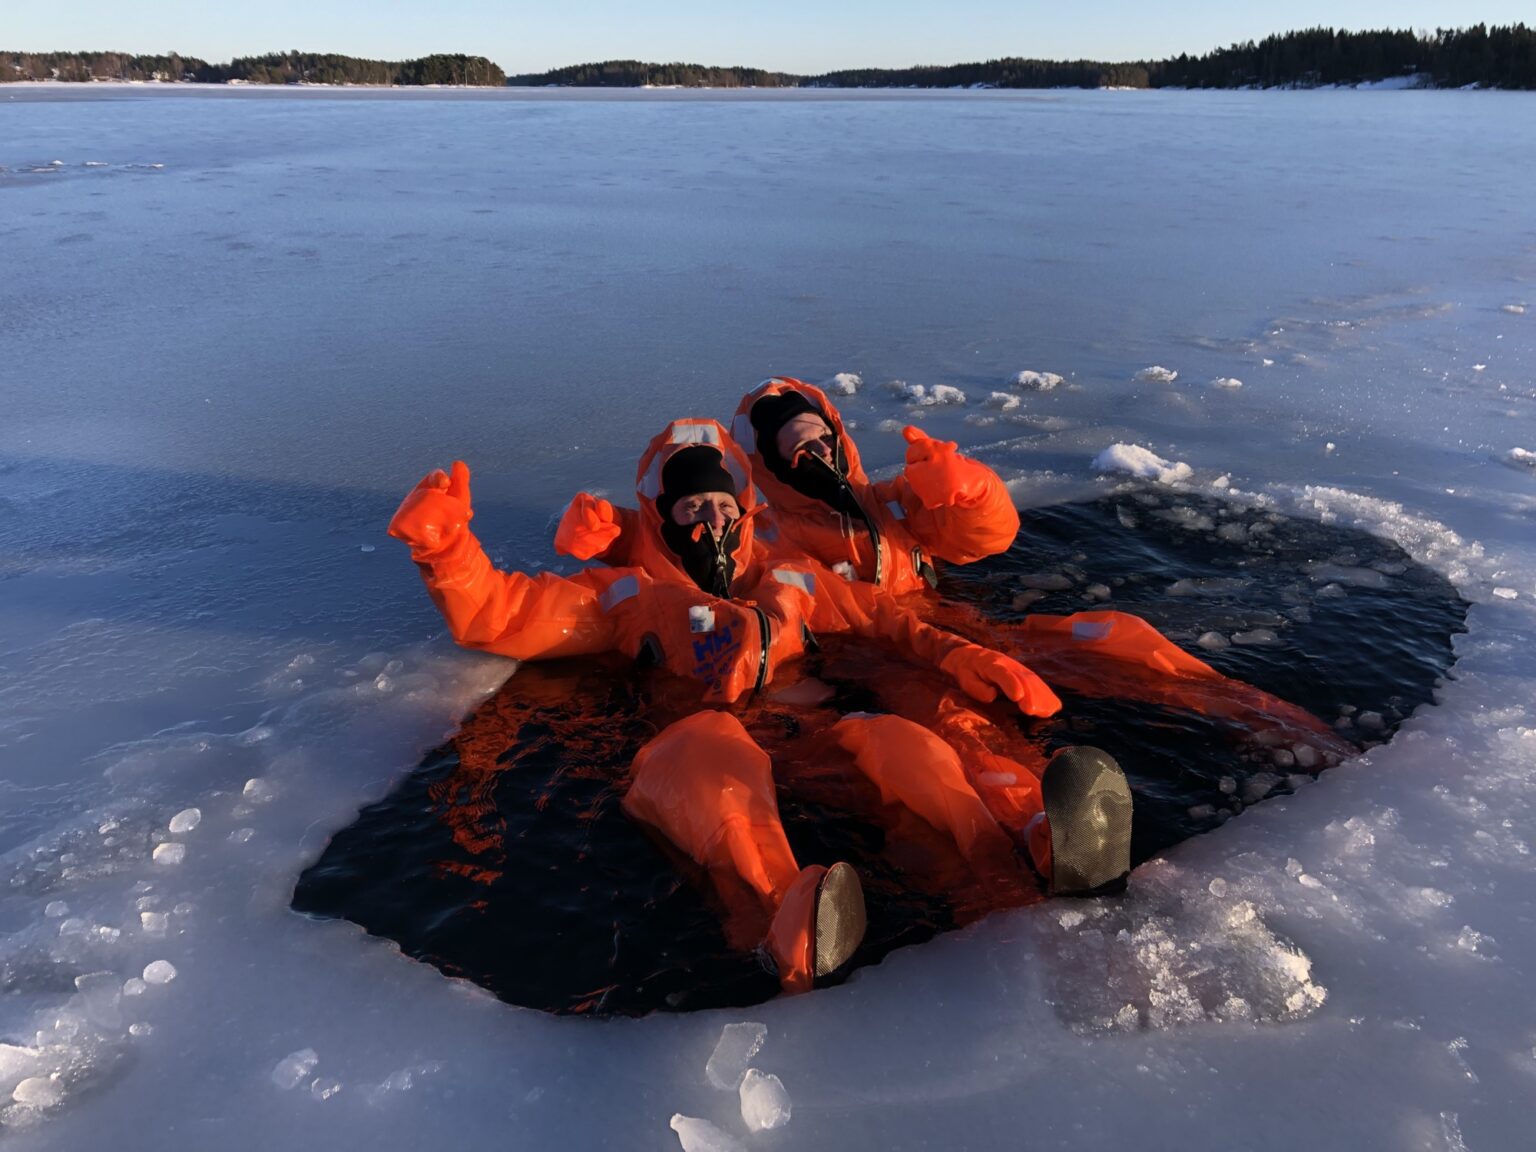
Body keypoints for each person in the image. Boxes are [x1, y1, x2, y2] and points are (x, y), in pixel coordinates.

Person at [388, 418, 1135, 993]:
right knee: (703, 744)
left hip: (803, 735)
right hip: (707, 750)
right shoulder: (632, 602)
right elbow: (501, 612)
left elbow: (887, 621)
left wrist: (962, 653)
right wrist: (446, 549)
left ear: (744, 508)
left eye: (720, 504)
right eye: (690, 509)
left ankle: (1014, 856)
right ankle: (784, 915)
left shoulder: (796, 580)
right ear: (662, 518)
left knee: (902, 743)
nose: (709, 522)